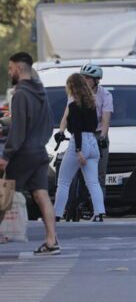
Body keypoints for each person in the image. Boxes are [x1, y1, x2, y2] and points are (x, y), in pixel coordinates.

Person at [0, 52, 60, 255]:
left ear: (18, 68)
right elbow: (47, 124)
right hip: (39, 152)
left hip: (23, 153)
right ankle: (52, 240)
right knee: (41, 194)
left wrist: (6, 155)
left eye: (10, 68)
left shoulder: (19, 94)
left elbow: (18, 129)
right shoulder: (41, 93)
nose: (10, 72)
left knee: (4, 194)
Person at [54, 73, 106, 222]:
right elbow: (95, 125)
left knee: (63, 181)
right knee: (93, 182)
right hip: (92, 141)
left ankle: (57, 214)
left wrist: (78, 151)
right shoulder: (91, 104)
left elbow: (76, 129)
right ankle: (99, 212)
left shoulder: (73, 105)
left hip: (80, 142)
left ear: (72, 87)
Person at [59, 64, 112, 194]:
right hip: (80, 134)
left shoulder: (105, 95)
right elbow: (66, 115)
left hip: (98, 133)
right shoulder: (74, 94)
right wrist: (61, 131)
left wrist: (103, 137)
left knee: (99, 175)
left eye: (88, 78)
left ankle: (100, 210)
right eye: (83, 77)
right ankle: (74, 202)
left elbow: (105, 121)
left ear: (96, 80)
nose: (85, 80)